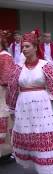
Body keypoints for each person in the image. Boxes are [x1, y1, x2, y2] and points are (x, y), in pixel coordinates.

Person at [6, 31, 53, 174]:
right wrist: (12, 111)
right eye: (22, 47)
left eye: (27, 46)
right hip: (24, 107)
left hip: (42, 106)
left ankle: (52, 169)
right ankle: (39, 164)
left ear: (35, 47)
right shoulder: (18, 68)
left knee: (45, 135)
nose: (24, 49)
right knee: (31, 137)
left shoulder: (45, 66)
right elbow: (13, 90)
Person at [0, 30, 14, 160]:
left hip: (2, 92)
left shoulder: (5, 56)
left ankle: (6, 151)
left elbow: (6, 79)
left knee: (4, 115)